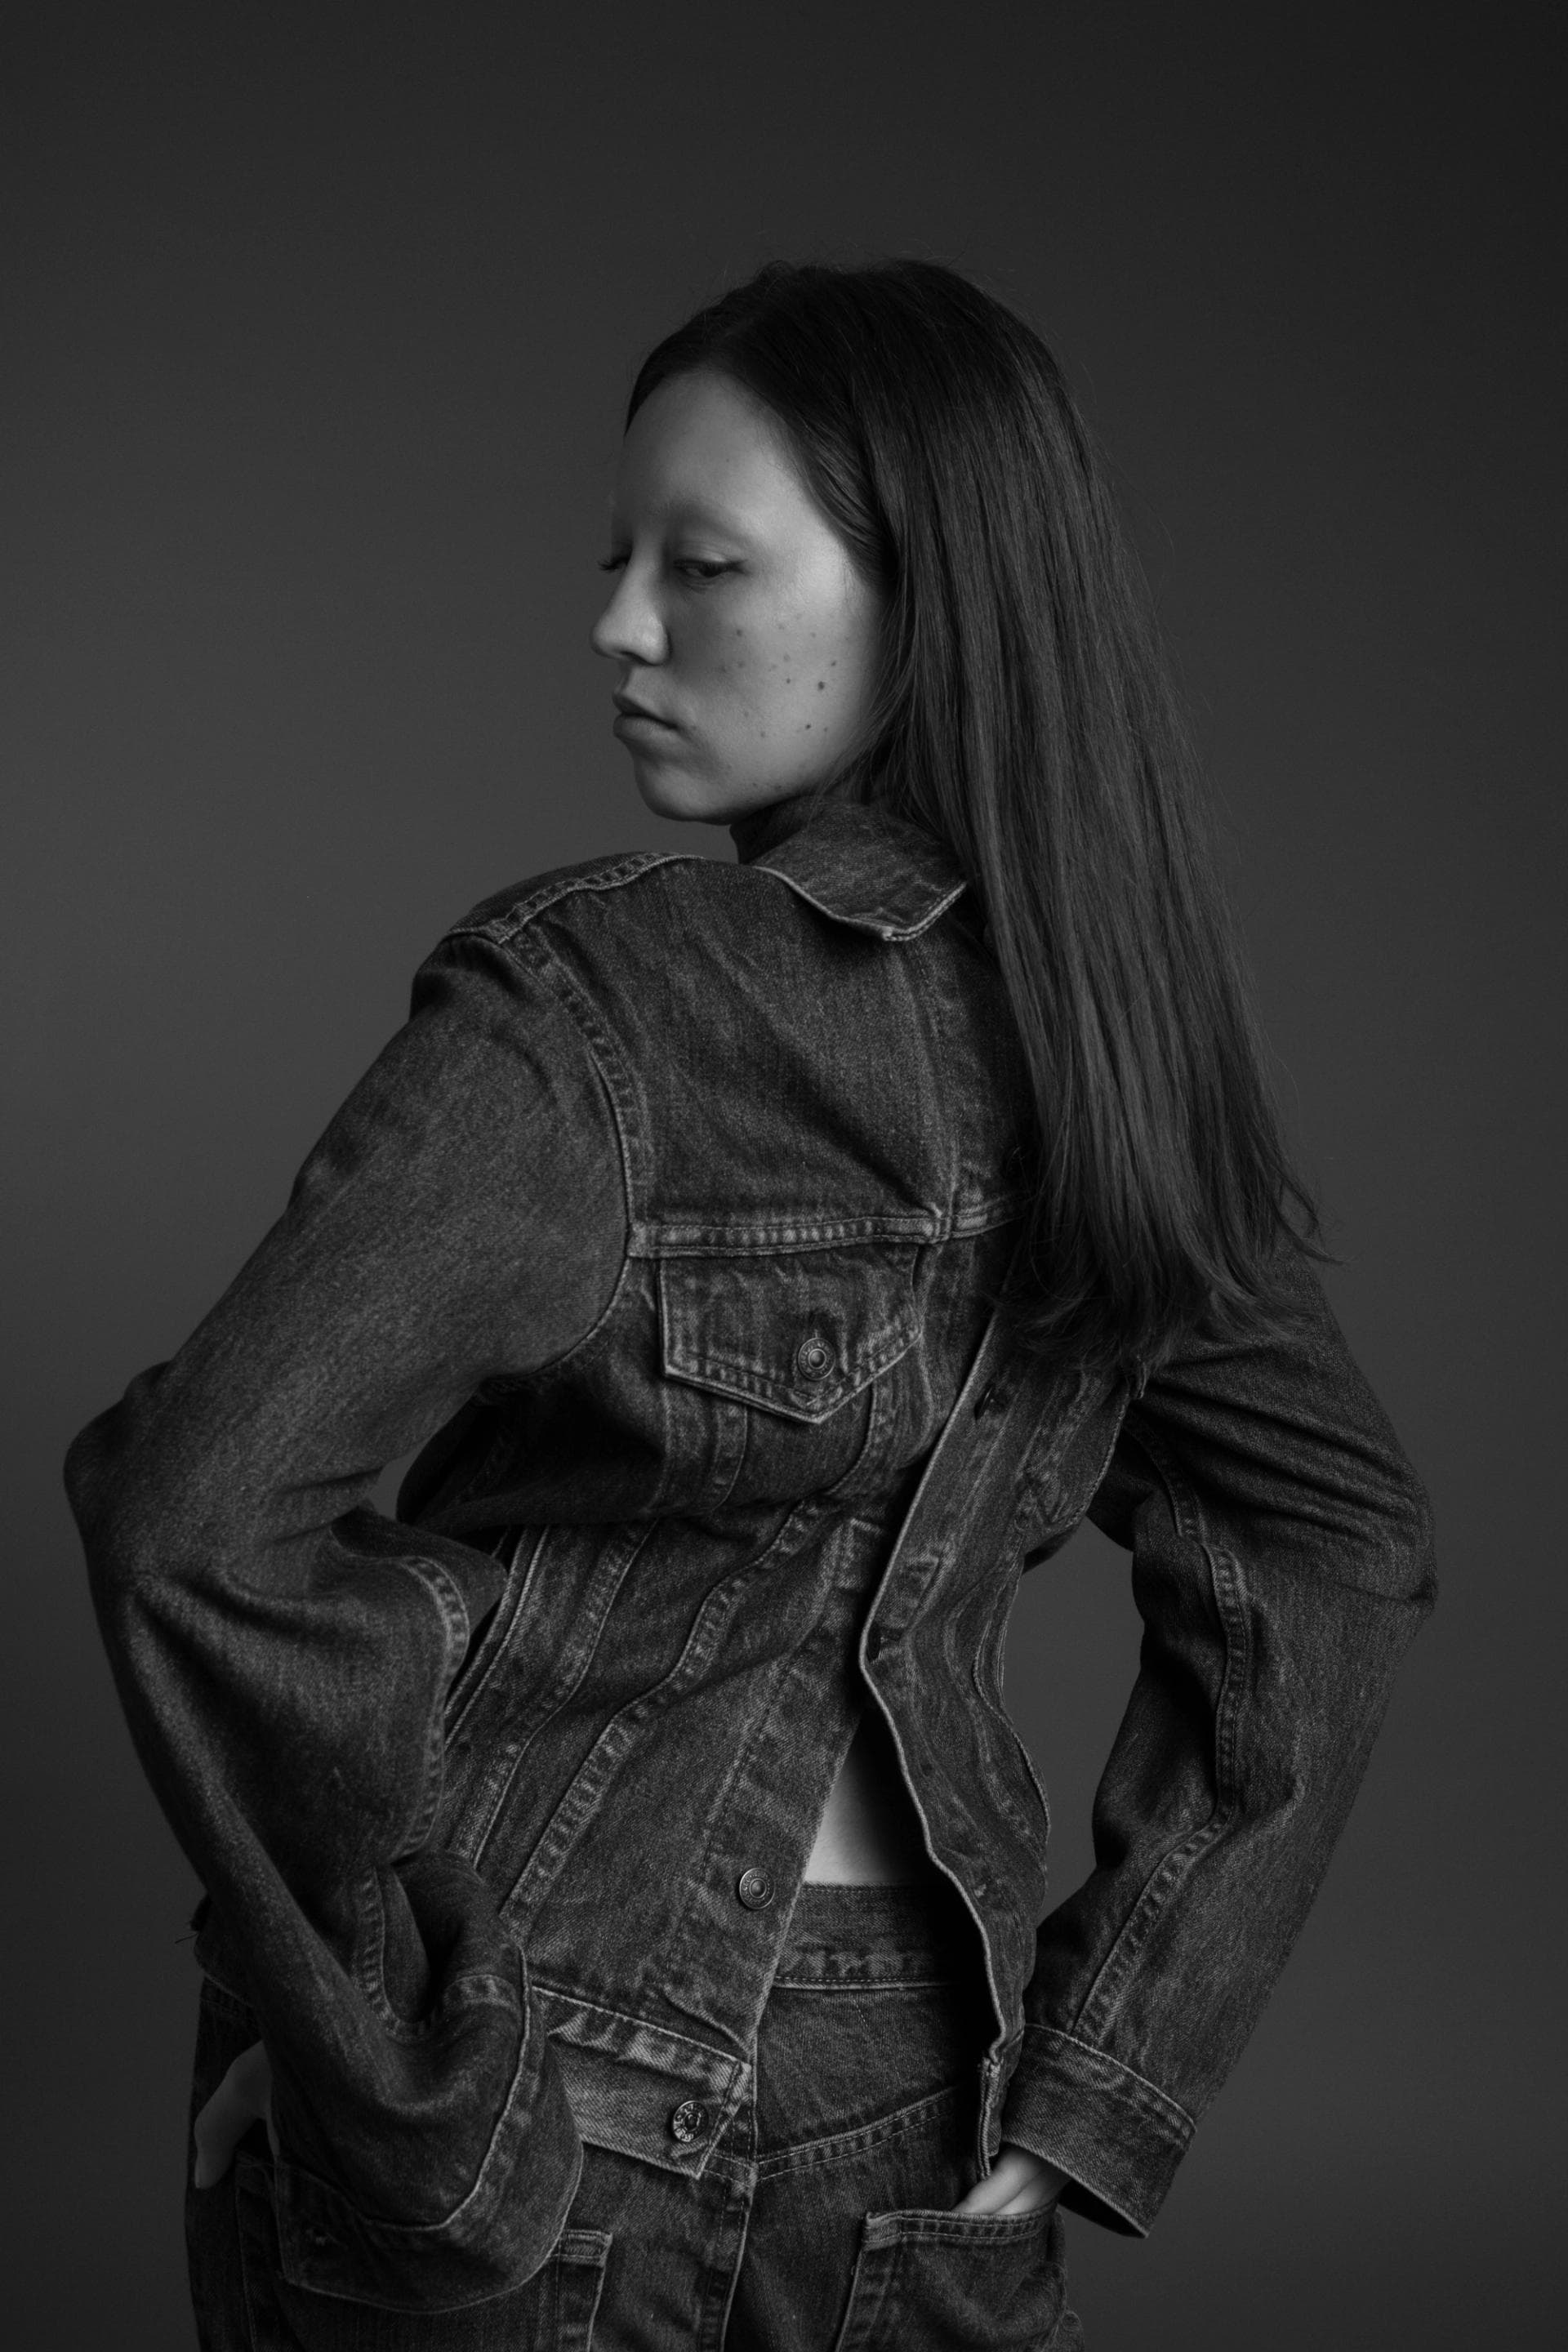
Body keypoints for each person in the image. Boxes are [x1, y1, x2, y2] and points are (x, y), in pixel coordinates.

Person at [65, 260, 1435, 2350]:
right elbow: (1334, 1537)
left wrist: (368, 2029)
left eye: (701, 566)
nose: (617, 623)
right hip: (921, 2108)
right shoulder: (1115, 1048)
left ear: (932, 603)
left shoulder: (597, 1003)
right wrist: (1095, 2095)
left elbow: (197, 1509)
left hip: (541, 2049)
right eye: (617, 558)